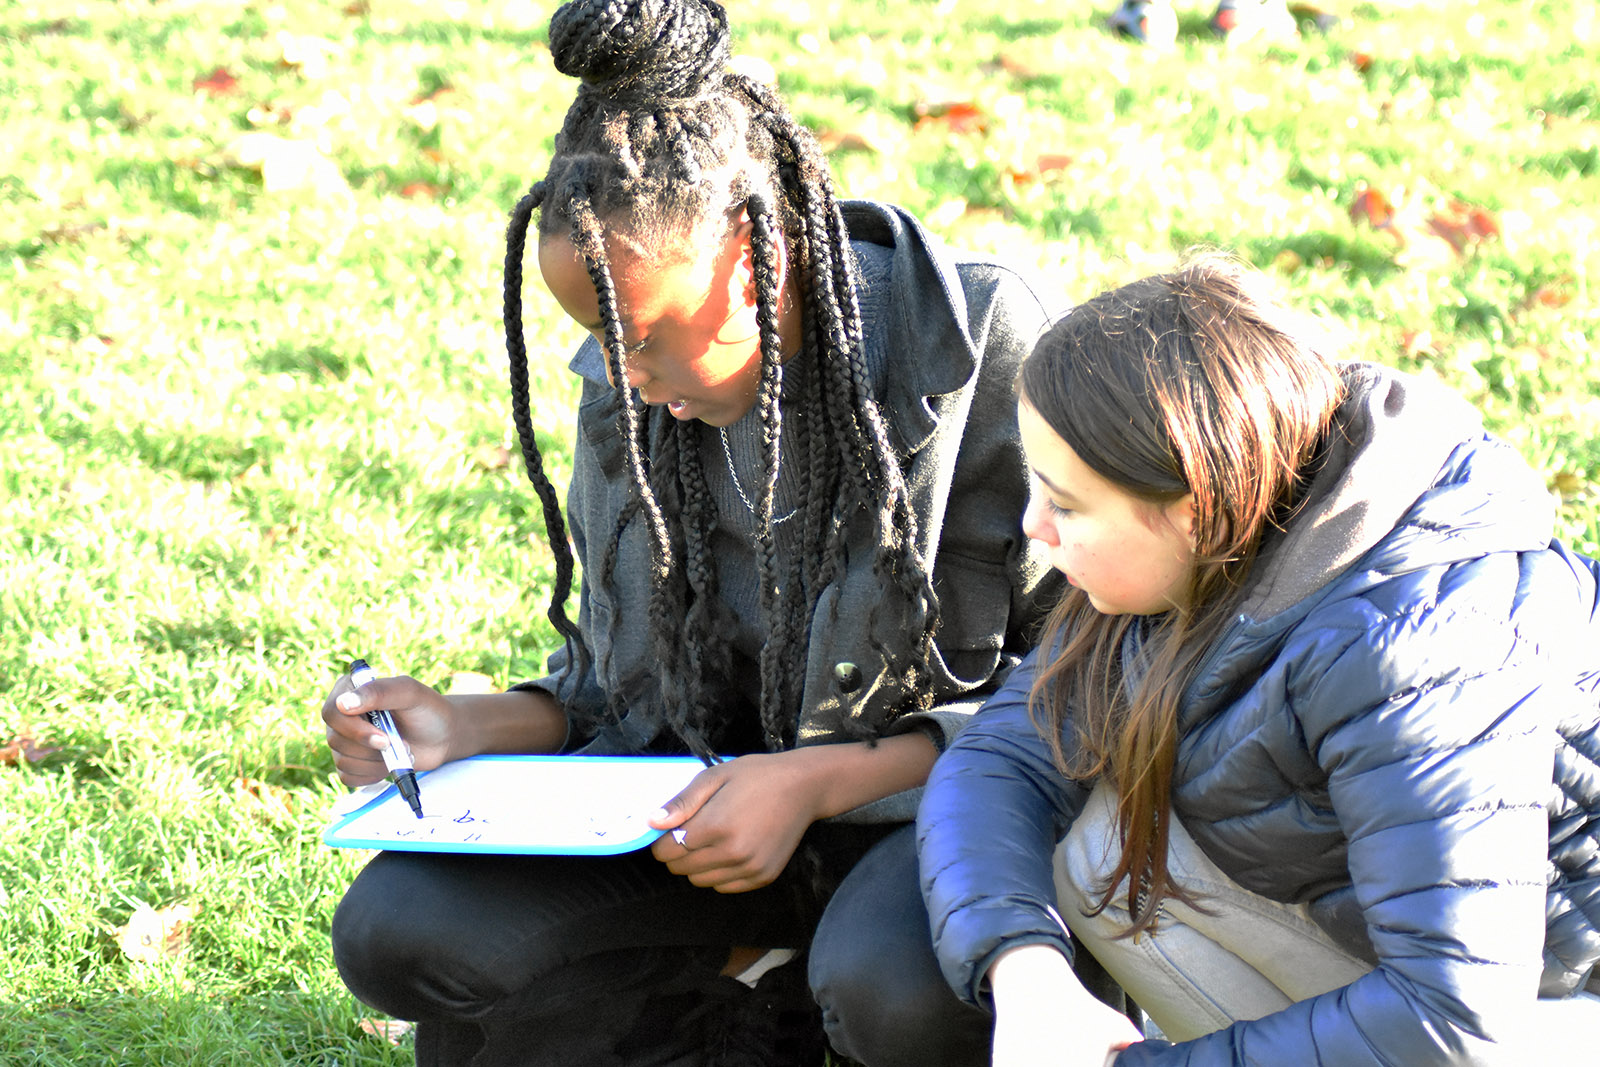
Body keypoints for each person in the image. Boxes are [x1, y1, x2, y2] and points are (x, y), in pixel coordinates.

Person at [320, 1, 1067, 1064]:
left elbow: (1086, 688)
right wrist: (460, 724)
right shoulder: (635, 386)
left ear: (758, 268)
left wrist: (815, 781)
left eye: (649, 338)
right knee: (401, 931)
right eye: (598, 339)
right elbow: (614, 687)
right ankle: (747, 993)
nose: (622, 377)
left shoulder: (982, 343)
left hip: (928, 822)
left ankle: (791, 1002)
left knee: (895, 993)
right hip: (695, 832)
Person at [917, 254, 1600, 1065]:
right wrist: (1027, 973)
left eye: (1066, 503)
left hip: (1546, 1001)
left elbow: (1455, 1016)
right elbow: (1002, 757)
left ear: (1196, 510)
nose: (1036, 526)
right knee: (1101, 852)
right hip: (1450, 973)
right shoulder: (1235, 519)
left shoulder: (1411, 649)